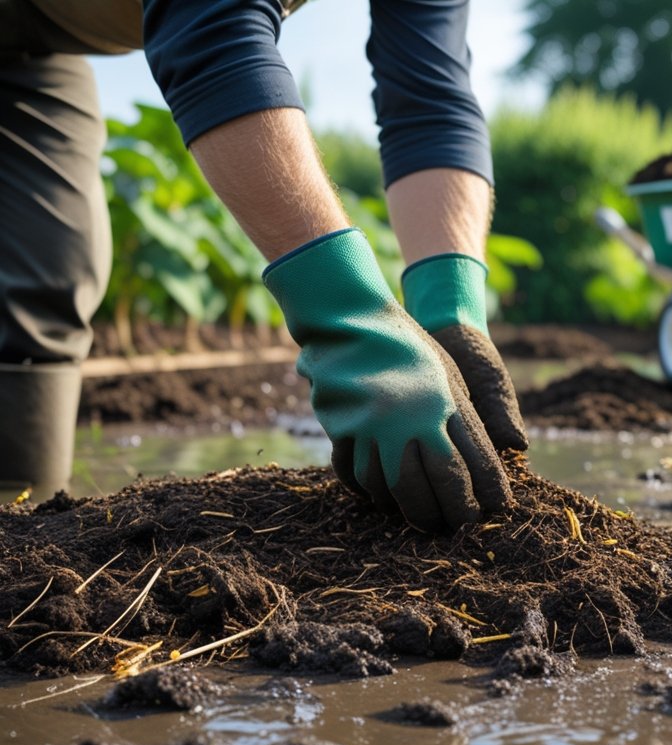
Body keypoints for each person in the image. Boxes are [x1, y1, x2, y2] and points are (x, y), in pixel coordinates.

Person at [0, 0, 527, 531]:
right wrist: (348, 315)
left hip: (40, 45)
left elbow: (431, 98)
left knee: (47, 289)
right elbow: (208, 25)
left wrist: (451, 310)